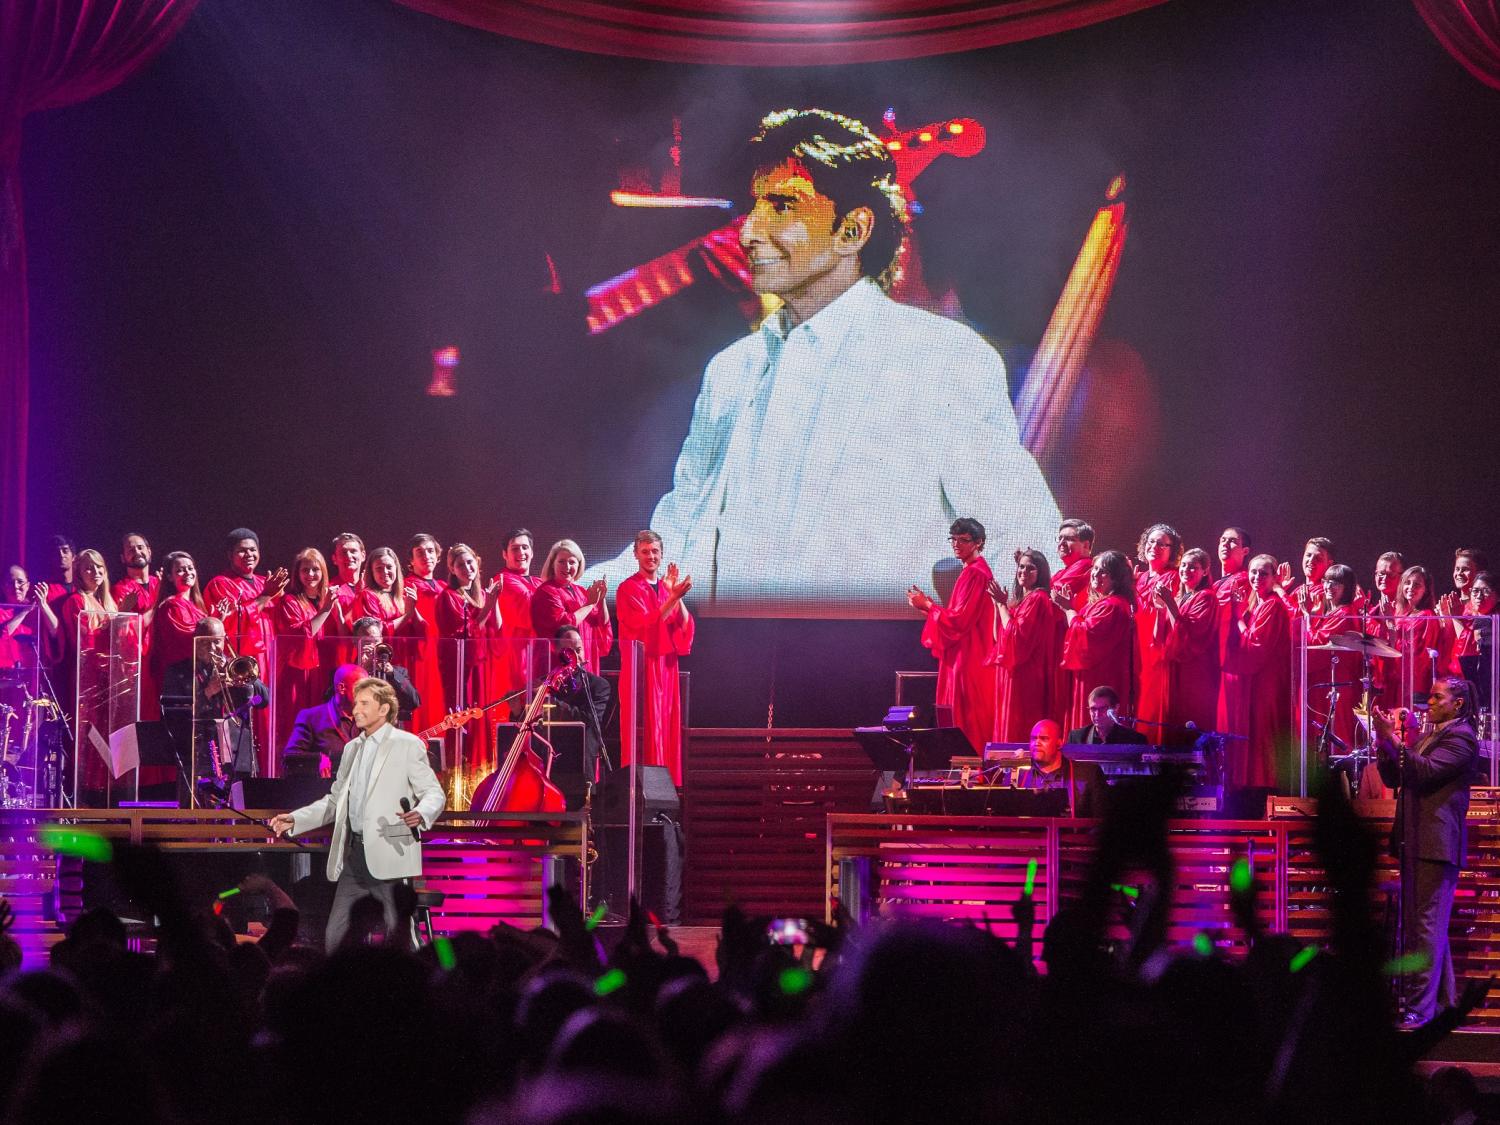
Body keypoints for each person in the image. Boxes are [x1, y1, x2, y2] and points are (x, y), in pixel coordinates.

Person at [587, 107, 1060, 611]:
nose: (749, 233)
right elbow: (675, 543)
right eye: (754, 208)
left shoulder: (943, 359)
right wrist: (578, 593)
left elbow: (1026, 549)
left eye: (783, 205)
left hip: (872, 677)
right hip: (727, 675)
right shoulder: (730, 372)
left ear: (853, 230)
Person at [270, 676, 445, 950]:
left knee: (402, 936)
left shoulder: (407, 745)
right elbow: (335, 802)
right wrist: (296, 819)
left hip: (389, 852)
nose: (356, 711)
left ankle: (420, 984)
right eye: (355, 704)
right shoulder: (352, 749)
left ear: (384, 709)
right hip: (354, 855)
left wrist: (422, 814)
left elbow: (434, 793)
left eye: (364, 704)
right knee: (336, 936)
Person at [1372, 677, 1481, 1028]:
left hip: (1435, 844)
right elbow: (1394, 777)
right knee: (1428, 928)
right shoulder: (1432, 735)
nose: (1429, 702)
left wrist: (1393, 738)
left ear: (1458, 704)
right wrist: (1382, 739)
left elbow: (1426, 773)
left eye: (1437, 697)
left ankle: (1420, 1010)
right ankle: (1445, 1005)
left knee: (1425, 928)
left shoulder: (1462, 737)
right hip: (1417, 839)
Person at [908, 518, 997, 756]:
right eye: (954, 539)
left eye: (963, 540)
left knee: (966, 718)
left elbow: (958, 621)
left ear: (979, 543)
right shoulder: (971, 571)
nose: (956, 544)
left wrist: (927, 605)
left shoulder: (976, 574)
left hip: (969, 658)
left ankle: (970, 772)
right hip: (965, 655)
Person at [615, 530, 695, 785]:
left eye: (655, 551)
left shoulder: (666, 587)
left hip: (667, 667)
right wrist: (673, 597)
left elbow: (684, 626)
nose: (651, 556)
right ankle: (640, 789)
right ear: (636, 554)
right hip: (643, 667)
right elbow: (645, 625)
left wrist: (676, 597)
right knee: (645, 730)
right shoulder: (628, 588)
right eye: (646, 551)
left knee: (667, 729)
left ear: (662, 555)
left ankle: (667, 786)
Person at [160, 617, 268, 784]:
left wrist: (246, 678)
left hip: (237, 754)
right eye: (205, 642)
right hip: (199, 755)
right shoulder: (177, 672)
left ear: (224, 640)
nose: (212, 648)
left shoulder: (235, 666)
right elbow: (173, 717)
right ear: (195, 641)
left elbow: (264, 700)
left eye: (217, 641)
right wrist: (209, 691)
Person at [1219, 553, 1291, 789]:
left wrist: (1239, 617)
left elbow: (1255, 645)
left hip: (1266, 682)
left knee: (1262, 736)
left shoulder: (1272, 604)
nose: (1257, 577)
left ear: (1273, 578)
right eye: (1254, 572)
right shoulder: (1258, 602)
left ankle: (1264, 789)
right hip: (1257, 680)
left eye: (1263, 573)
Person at [988, 548, 1064, 742]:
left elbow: (1016, 638)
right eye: (1021, 567)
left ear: (1040, 573)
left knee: (1019, 729)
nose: (1023, 571)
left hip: (1025, 677)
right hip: (1015, 675)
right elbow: (1001, 638)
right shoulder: (1026, 600)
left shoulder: (1038, 599)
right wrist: (999, 606)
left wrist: (1002, 605)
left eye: (1030, 568)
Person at [270, 548, 343, 748]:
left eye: (315, 569)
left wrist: (336, 612)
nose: (310, 575)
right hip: (296, 677)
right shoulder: (289, 602)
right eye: (305, 570)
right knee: (296, 728)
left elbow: (341, 637)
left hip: (320, 675)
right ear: (297, 573)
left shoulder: (326, 601)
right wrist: (326, 610)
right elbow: (299, 636)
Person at [1056, 549, 1135, 732]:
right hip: (1094, 676)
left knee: (1094, 732)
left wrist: (1069, 609)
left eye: (1103, 571)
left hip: (1099, 678)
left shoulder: (1112, 606)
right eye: (1095, 568)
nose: (1095, 574)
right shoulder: (1103, 603)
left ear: (1116, 578)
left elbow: (1085, 635)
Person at [1153, 547, 1220, 736]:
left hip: (1193, 673)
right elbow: (1161, 638)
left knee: (1189, 724)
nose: (1186, 570)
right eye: (1183, 566)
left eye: (1193, 567)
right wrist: (1160, 609)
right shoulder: (1180, 598)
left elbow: (1189, 636)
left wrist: (1170, 604)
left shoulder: (1206, 597)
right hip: (1173, 671)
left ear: (1205, 571)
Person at [545, 625, 614, 806]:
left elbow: (588, 720)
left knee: (579, 824)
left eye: (578, 650)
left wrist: (551, 705)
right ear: (556, 651)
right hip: (548, 765)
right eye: (569, 652)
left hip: (580, 767)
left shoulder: (598, 686)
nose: (575, 657)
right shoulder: (546, 684)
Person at [1301, 562, 1361, 753]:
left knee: (1336, 732)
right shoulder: (1333, 612)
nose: (1328, 586)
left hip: (1336, 681)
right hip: (1325, 680)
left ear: (1347, 588)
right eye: (1326, 581)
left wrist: (1306, 617)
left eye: (1336, 583)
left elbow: (1318, 642)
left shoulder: (1344, 613)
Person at [533, 540, 612, 676]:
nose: (567, 567)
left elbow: (600, 624)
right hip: (560, 666)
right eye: (561, 562)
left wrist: (601, 599)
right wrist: (590, 604)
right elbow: (564, 624)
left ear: (579, 565)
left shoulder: (581, 591)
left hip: (585, 662)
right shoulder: (546, 591)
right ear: (553, 564)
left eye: (572, 562)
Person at [1133, 523, 1183, 733]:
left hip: (1157, 649)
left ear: (1172, 551)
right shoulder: (1141, 577)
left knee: (1152, 707)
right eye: (1152, 541)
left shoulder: (1173, 577)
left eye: (1162, 544)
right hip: (1138, 647)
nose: (1155, 546)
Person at [494, 528, 545, 720]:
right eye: (515, 548)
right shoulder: (503, 580)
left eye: (525, 548)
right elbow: (531, 612)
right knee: (518, 714)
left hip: (538, 657)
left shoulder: (538, 582)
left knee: (540, 717)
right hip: (515, 659)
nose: (521, 553)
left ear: (532, 552)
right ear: (504, 554)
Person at [282, 663, 364, 777]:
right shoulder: (311, 717)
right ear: (342, 688)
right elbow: (290, 757)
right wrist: (316, 761)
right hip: (324, 791)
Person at [403, 532, 447, 736]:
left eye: (430, 551)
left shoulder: (444, 587)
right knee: (422, 701)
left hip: (442, 654)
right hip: (420, 654)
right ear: (411, 560)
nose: (426, 556)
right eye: (419, 552)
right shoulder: (407, 585)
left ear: (438, 556)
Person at [1018, 718, 1108, 816]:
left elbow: (1101, 821)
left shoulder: (1088, 774)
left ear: (1059, 743)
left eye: (1044, 738)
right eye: (1034, 738)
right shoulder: (1018, 774)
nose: (1036, 743)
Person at [350, 616, 421, 724]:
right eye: (366, 642)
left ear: (382, 640)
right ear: (355, 642)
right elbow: (338, 705)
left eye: (375, 641)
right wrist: (361, 671)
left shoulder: (399, 672)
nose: (372, 646)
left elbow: (413, 702)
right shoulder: (344, 673)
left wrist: (392, 673)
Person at [1065, 686, 1147, 745]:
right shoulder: (1076, 737)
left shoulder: (1135, 740)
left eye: (1103, 709)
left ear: (1116, 708)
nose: (1097, 714)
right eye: (1093, 709)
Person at [1278, 537, 1335, 613]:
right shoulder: (1298, 590)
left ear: (1329, 564)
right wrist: (1281, 588)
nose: (1311, 561)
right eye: (1308, 555)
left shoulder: (1326, 591)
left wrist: (1278, 589)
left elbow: (1295, 616)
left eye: (1318, 558)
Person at [1053, 519, 1095, 613]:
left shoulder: (1085, 564)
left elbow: (1055, 593)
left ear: (1086, 545)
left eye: (1069, 539)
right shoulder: (1063, 571)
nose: (1061, 543)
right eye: (1060, 538)